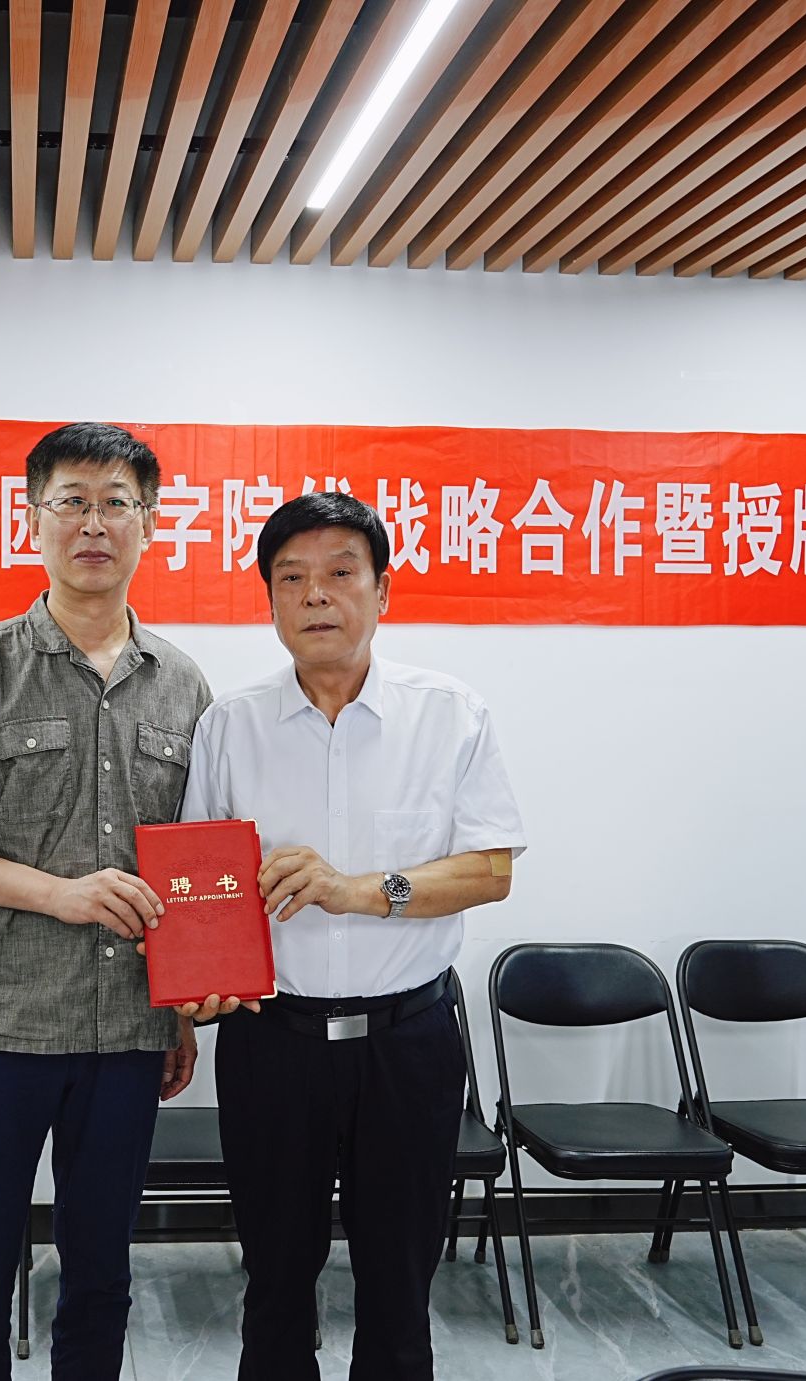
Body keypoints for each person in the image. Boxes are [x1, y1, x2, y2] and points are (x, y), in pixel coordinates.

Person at [0, 422, 214, 1381]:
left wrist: (180, 1005)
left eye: (117, 503)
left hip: (127, 1032)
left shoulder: (183, 685)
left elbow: (189, 862)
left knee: (102, 1275)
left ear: (149, 523)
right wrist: (60, 895)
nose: (94, 524)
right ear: (34, 519)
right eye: (72, 501)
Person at [178, 491, 526, 1381]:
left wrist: (357, 890)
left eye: (340, 573)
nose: (316, 595)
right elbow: (198, 889)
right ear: (270, 599)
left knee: (400, 1291)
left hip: (407, 1044)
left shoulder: (449, 714)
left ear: (382, 590)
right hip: (272, 1044)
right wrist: (192, 991)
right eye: (291, 578)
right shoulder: (230, 726)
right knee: (273, 1287)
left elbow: (491, 870)